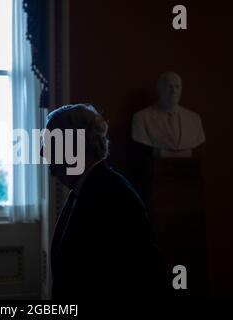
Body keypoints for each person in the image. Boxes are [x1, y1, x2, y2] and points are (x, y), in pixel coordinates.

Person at [41, 103, 166, 300]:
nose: (42, 152)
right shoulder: (88, 189)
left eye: (50, 143)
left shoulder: (113, 196)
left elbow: (140, 279)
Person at [132, 72, 205, 158]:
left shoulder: (194, 119)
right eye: (169, 86)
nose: (174, 91)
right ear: (159, 89)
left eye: (177, 86)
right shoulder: (141, 118)